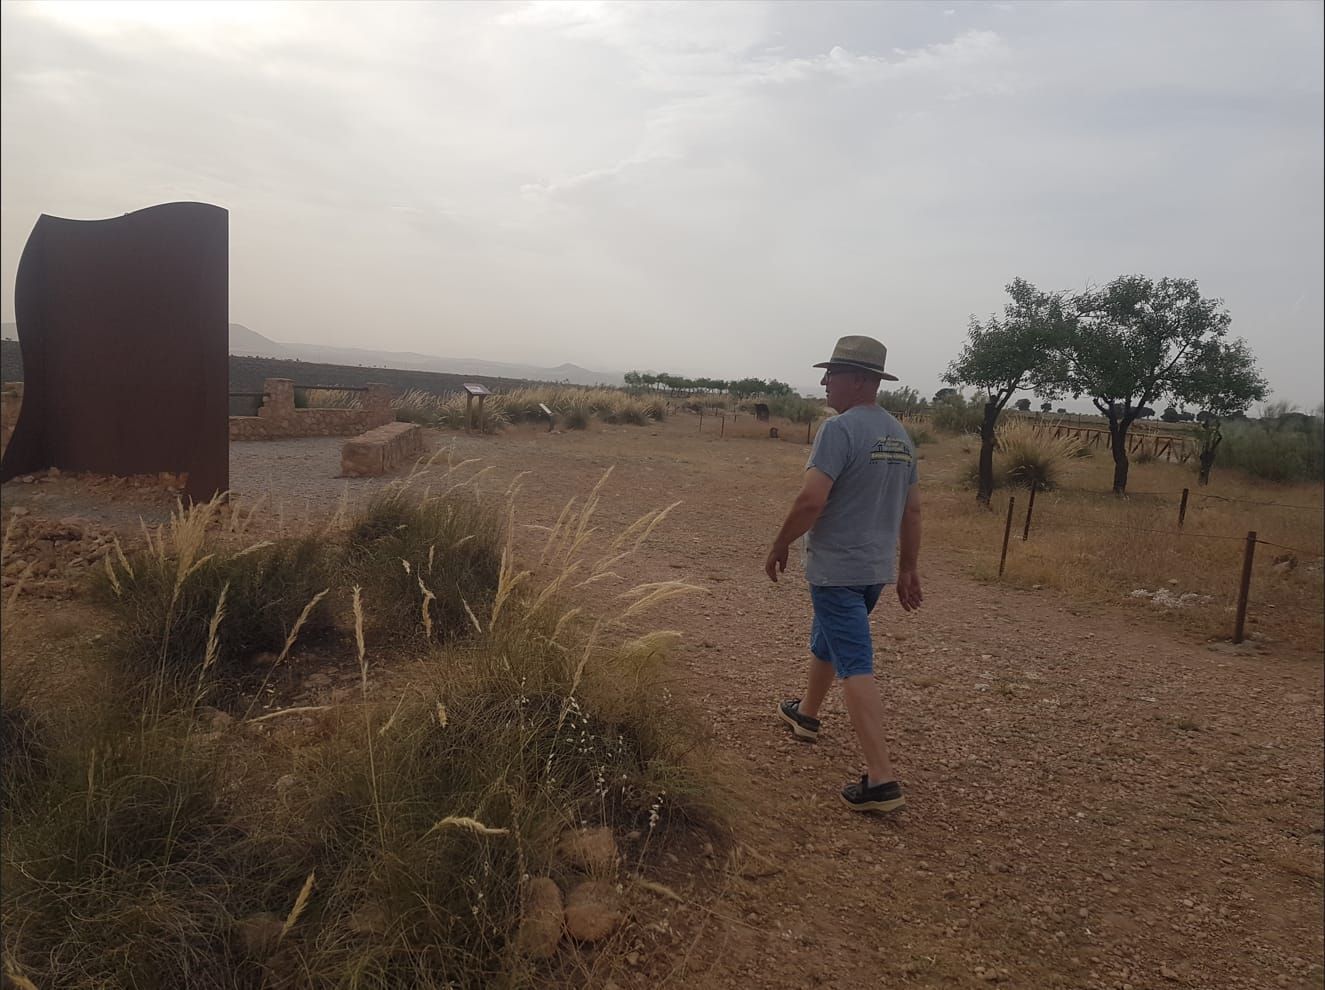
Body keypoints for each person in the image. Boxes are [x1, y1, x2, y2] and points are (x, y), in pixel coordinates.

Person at [764, 334, 923, 813]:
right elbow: (912, 512)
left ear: (858, 380)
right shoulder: (900, 434)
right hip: (874, 571)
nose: (824, 381)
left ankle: (881, 777)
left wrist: (779, 543)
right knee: (829, 638)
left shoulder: (839, 430)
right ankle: (807, 715)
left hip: (836, 569)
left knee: (855, 661)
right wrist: (908, 567)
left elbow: (812, 499)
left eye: (831, 373)